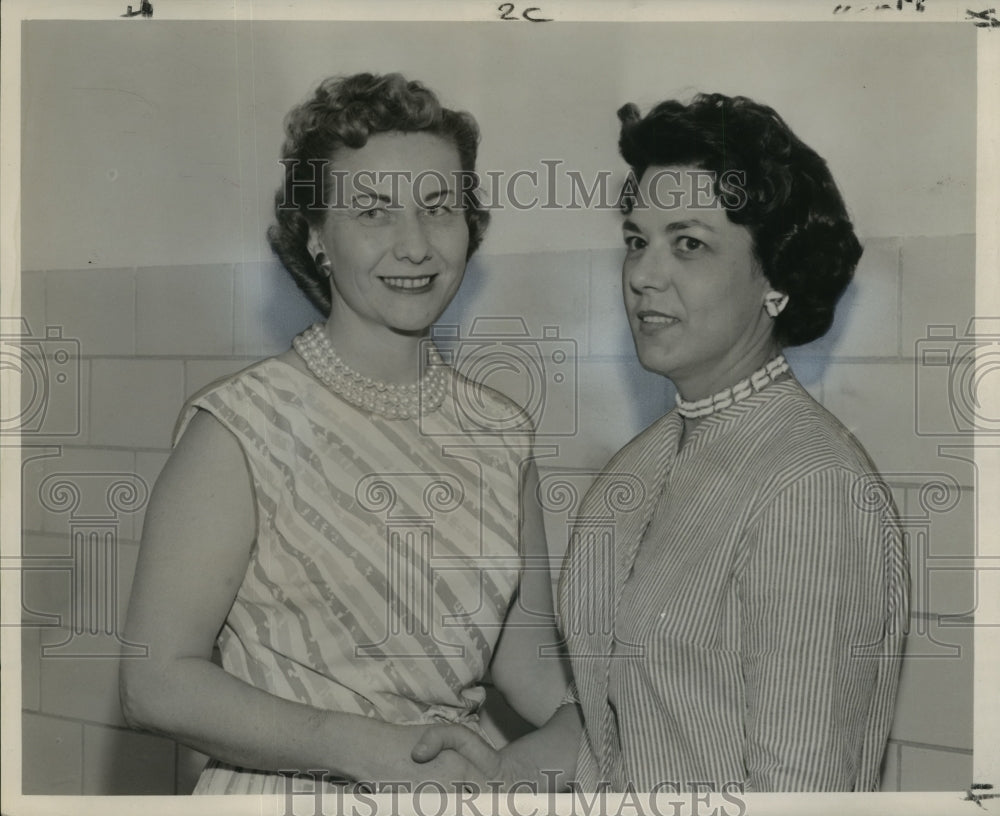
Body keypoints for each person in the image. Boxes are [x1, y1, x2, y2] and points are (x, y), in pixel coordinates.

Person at [412, 92, 909, 792]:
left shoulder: (810, 488)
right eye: (637, 240)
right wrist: (495, 776)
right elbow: (617, 723)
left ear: (776, 278)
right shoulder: (638, 466)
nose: (644, 274)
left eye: (690, 244)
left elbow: (801, 787)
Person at [119, 72, 569, 795]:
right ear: (315, 235)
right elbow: (153, 681)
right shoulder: (241, 427)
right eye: (373, 212)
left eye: (438, 207)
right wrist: (362, 748)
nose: (415, 245)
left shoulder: (501, 433)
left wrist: (580, 726)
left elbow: (531, 664)